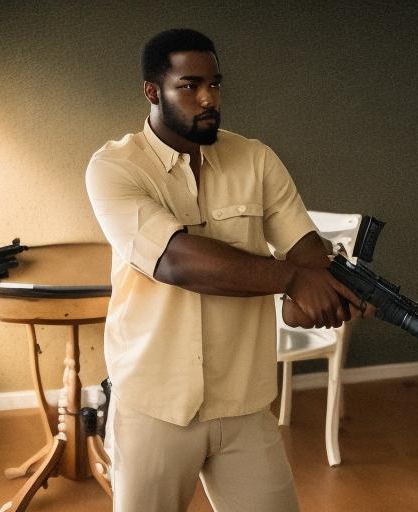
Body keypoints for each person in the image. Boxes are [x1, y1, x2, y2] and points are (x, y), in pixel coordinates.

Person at [85, 28, 366, 511]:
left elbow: (306, 253)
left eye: (214, 84)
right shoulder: (115, 167)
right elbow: (176, 261)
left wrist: (319, 295)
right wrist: (293, 282)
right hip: (155, 406)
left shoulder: (256, 160)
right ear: (153, 91)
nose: (208, 98)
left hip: (245, 404)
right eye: (189, 86)